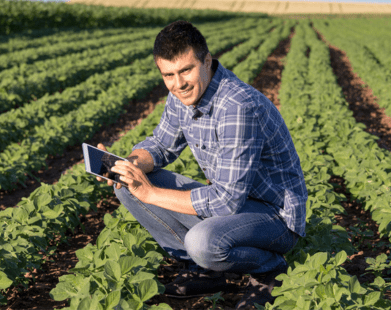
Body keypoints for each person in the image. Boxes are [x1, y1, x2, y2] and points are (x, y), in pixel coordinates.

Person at [96, 20, 308, 309]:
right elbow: (161, 145)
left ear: (207, 61)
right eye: (168, 75)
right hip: (236, 206)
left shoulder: (237, 107)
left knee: (202, 242)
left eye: (186, 70)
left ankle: (270, 269)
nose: (178, 83)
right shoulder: (179, 95)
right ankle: (208, 271)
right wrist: (129, 165)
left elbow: (226, 202)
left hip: (274, 217)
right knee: (126, 187)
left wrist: (151, 193)